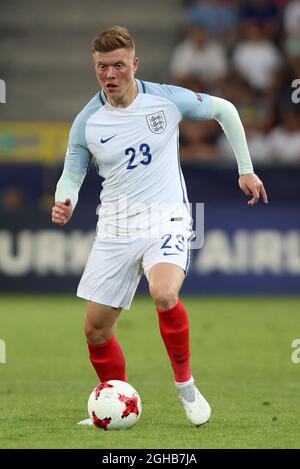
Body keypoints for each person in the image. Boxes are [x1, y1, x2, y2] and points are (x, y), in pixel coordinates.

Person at [52, 26, 268, 427]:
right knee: (96, 331)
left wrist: (246, 169)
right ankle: (117, 404)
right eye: (102, 67)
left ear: (134, 63)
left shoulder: (165, 100)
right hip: (115, 227)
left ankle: (186, 387)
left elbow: (226, 110)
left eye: (118, 65)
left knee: (164, 293)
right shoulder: (87, 121)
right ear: (94, 66)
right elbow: (72, 174)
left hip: (166, 218)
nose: (110, 74)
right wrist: (65, 201)